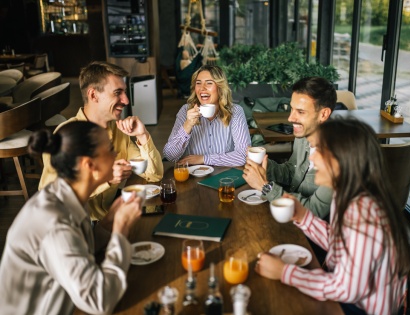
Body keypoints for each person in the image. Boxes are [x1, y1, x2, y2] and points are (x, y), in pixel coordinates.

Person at [255, 118, 410, 315]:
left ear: (341, 159)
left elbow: (347, 289)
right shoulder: (348, 192)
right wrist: (303, 216)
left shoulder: (364, 212)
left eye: (319, 151)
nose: (312, 158)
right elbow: (343, 242)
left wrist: (285, 272)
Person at [0, 121, 142, 314]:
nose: (115, 153)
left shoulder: (66, 193)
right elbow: (99, 302)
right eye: (109, 149)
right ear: (89, 164)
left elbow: (78, 248)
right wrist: (120, 230)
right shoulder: (54, 223)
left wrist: (108, 223)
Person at [39, 61, 163, 221]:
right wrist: (106, 178)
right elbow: (52, 201)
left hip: (112, 215)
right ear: (93, 95)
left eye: (124, 92)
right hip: (79, 225)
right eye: (117, 92)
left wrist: (142, 135)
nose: (125, 100)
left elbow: (155, 175)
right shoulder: (67, 136)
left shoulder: (118, 129)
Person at [243, 76, 336, 218]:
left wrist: (265, 187)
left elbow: (315, 211)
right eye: (292, 109)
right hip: (289, 216)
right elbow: (293, 173)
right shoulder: (304, 136)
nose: (290, 118)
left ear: (323, 114)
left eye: (300, 112)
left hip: (315, 233)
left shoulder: (338, 156)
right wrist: (266, 167)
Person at [163, 64, 251, 166]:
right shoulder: (185, 111)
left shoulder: (235, 111)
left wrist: (204, 159)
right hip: (192, 175)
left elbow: (243, 155)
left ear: (220, 87)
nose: (202, 88)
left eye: (209, 83)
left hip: (223, 176)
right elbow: (170, 156)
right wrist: (188, 125)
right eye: (198, 83)